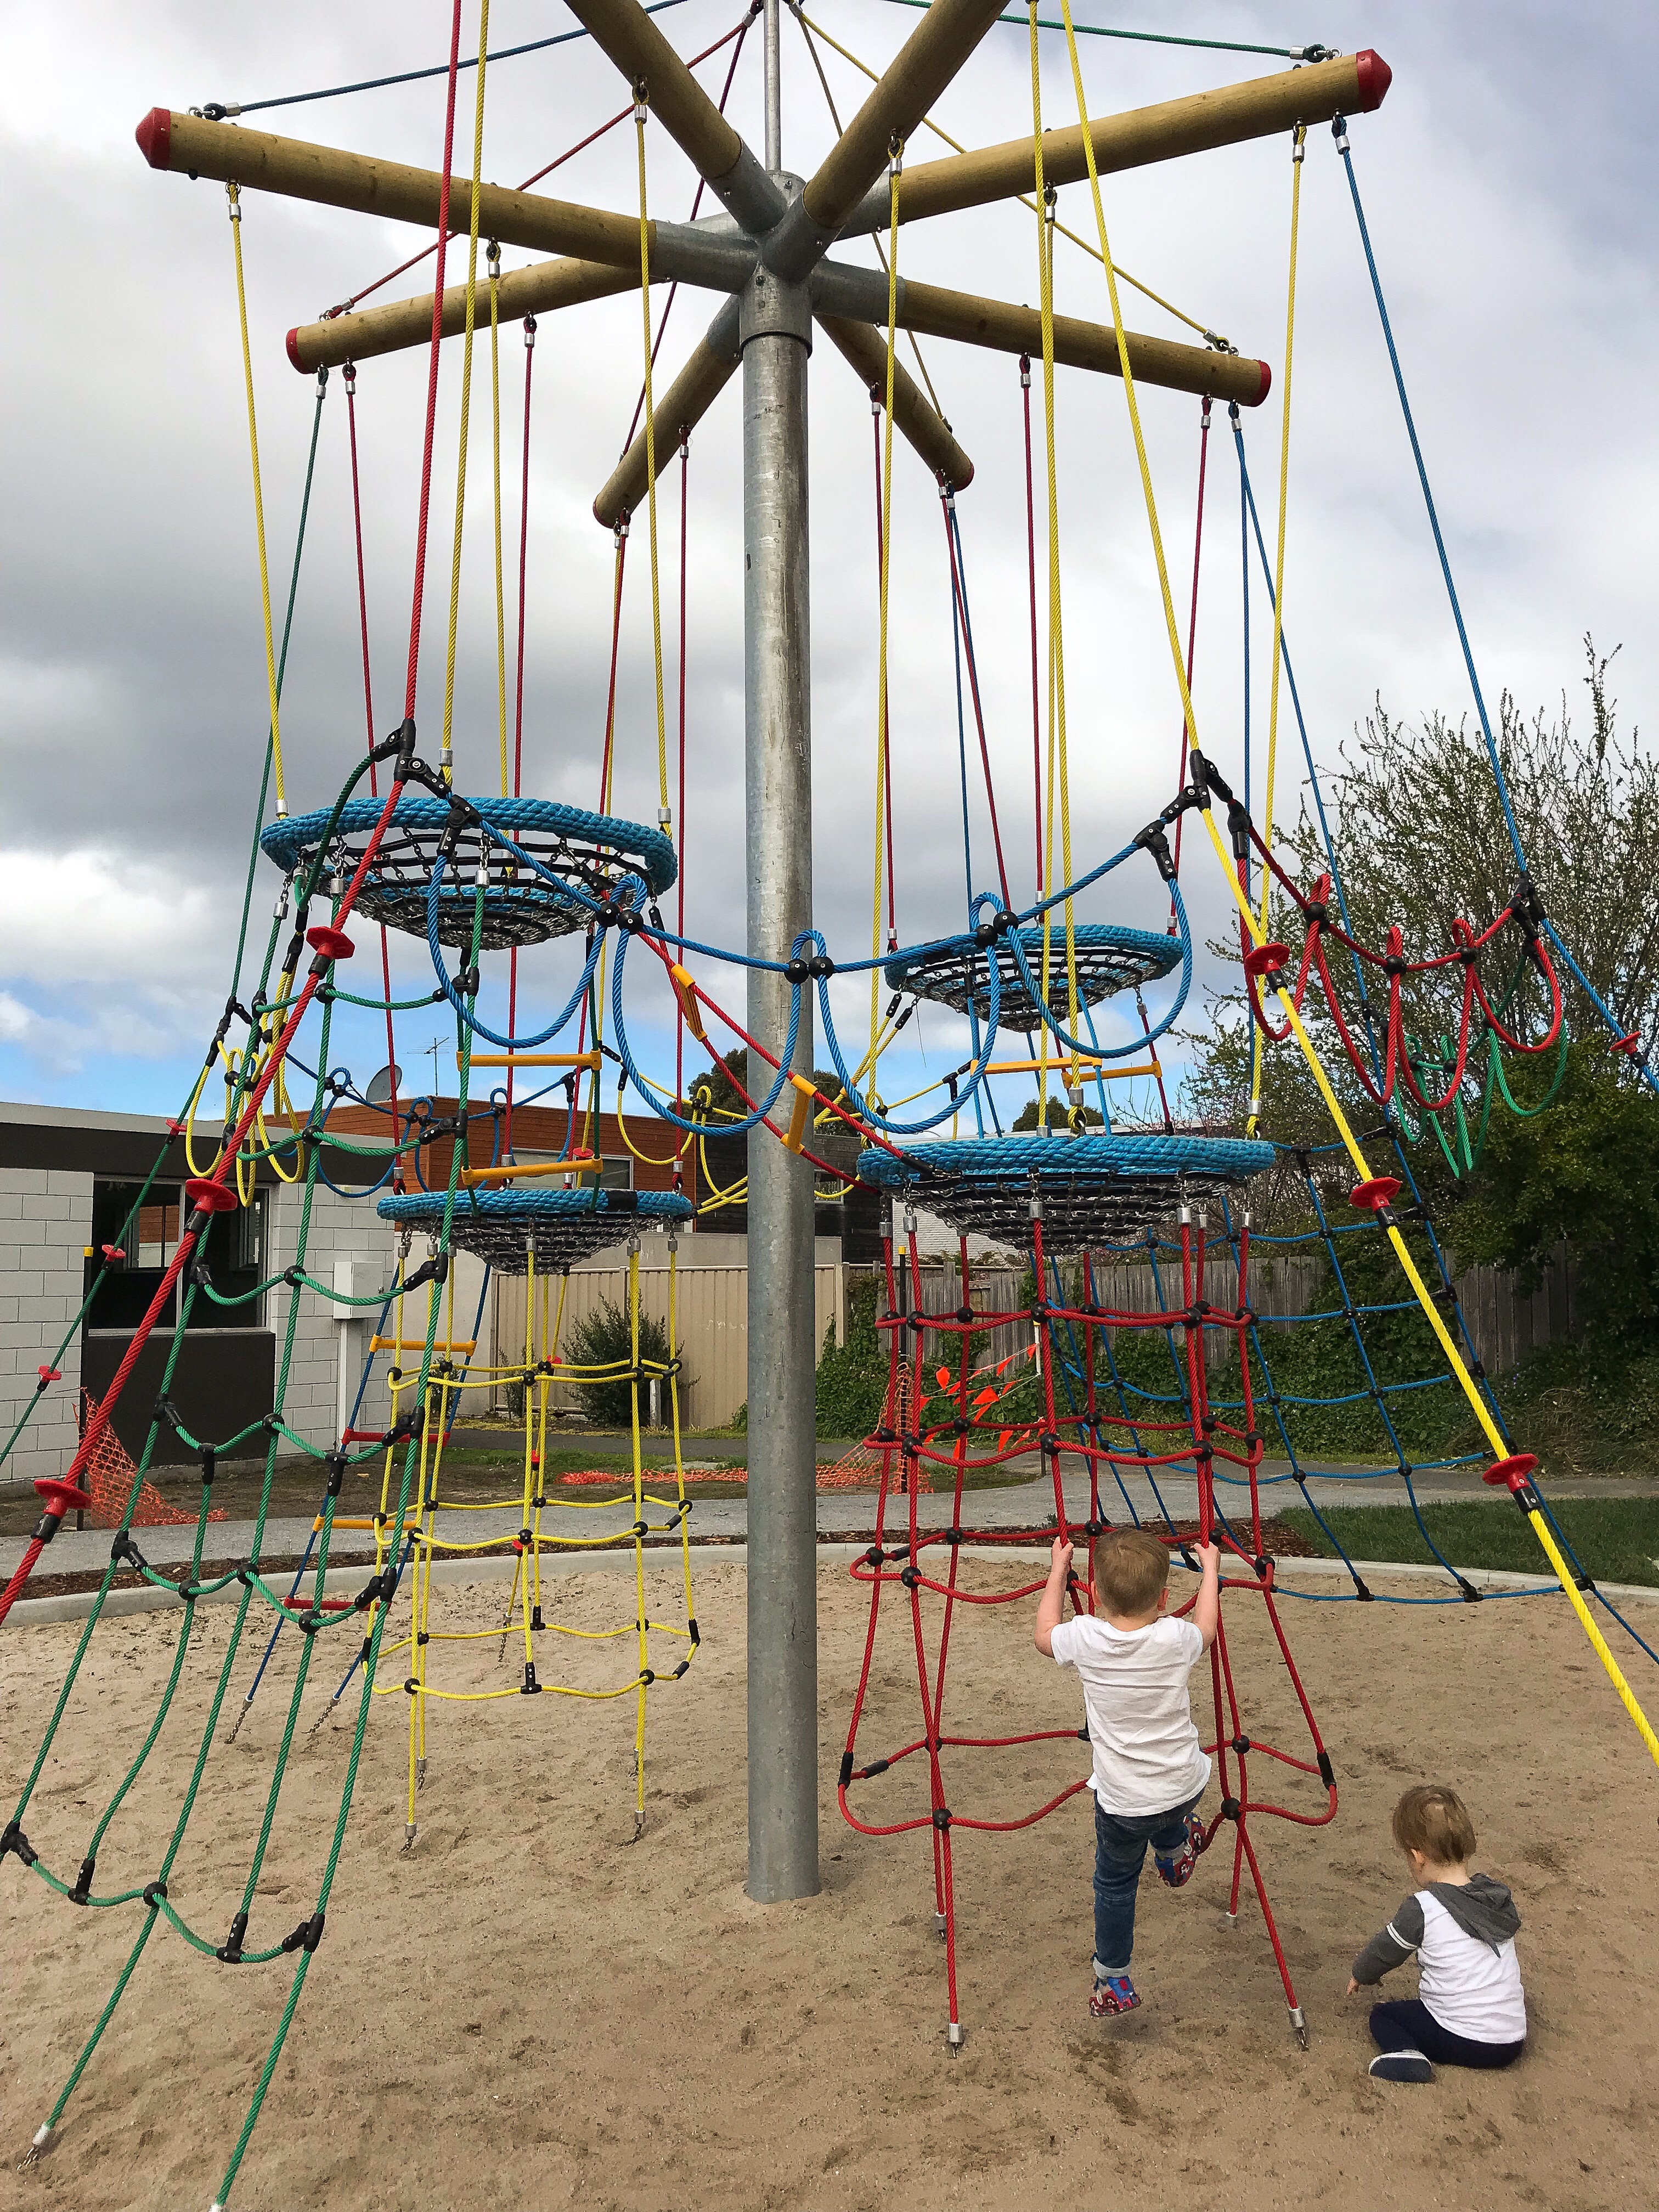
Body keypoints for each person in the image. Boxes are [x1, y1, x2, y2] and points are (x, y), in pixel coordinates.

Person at [1036, 1525, 1219, 2019]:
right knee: (1167, 1811)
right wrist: (1210, 1575)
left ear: (1093, 1593)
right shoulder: (1175, 1637)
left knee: (1115, 1885)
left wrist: (1057, 1573)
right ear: (1163, 1598)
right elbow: (1207, 1629)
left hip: (1123, 1803)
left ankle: (1114, 1978)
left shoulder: (1086, 1637)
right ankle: (1176, 1849)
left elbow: (1043, 1635)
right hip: (1188, 1784)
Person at [1348, 1782, 1526, 2082]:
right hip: (1511, 2041)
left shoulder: (1424, 1907)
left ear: (1418, 1858)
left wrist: (1361, 1974)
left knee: (1385, 2015)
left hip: (1463, 2039)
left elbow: (1386, 1950)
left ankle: (1406, 2055)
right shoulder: (1494, 1895)